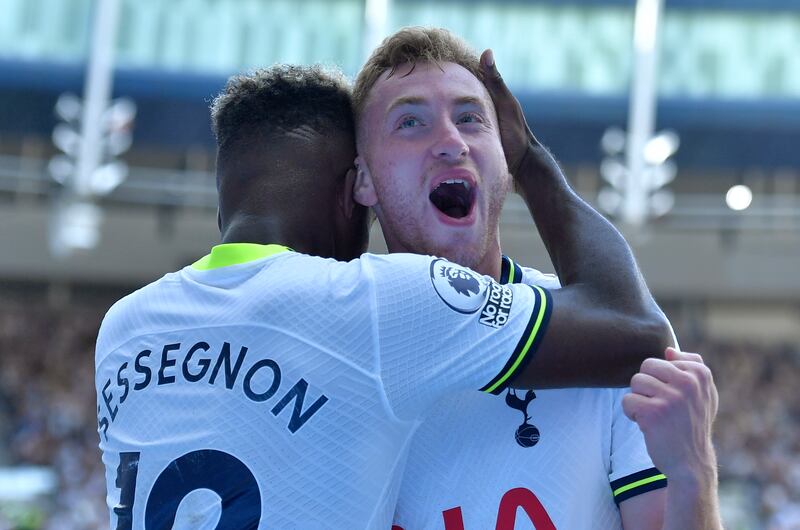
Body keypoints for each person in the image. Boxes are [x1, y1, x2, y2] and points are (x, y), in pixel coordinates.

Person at [94, 65, 671, 528]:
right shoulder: (372, 302)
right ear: (355, 192)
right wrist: (530, 163)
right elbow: (636, 331)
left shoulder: (123, 328)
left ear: (225, 209)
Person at [351, 27, 721, 529]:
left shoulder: (603, 342)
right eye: (410, 122)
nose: (451, 142)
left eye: (470, 118)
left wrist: (694, 472)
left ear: (505, 158)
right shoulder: (334, 348)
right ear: (364, 179)